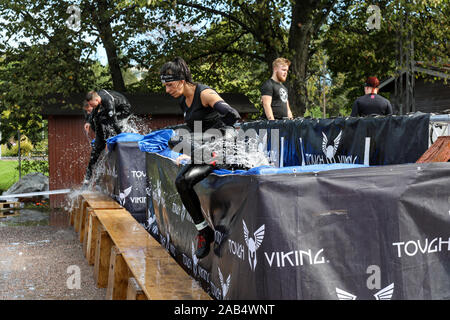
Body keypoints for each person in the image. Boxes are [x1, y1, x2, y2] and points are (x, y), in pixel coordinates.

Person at [160, 57, 241, 259]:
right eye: (165, 86)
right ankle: (204, 231)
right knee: (182, 182)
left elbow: (232, 115)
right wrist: (187, 151)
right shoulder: (182, 99)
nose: (167, 90)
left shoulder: (205, 93)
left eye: (170, 85)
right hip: (205, 149)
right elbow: (192, 129)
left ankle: (215, 157)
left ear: (182, 80)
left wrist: (223, 139)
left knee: (176, 139)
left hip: (220, 145)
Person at [83, 90, 131, 185]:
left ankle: (125, 132)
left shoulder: (108, 102)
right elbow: (94, 112)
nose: (92, 108)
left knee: (105, 119)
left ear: (97, 100)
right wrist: (88, 121)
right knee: (98, 117)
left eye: (92, 105)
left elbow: (113, 123)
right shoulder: (97, 97)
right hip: (114, 108)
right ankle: (87, 178)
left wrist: (118, 138)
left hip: (124, 110)